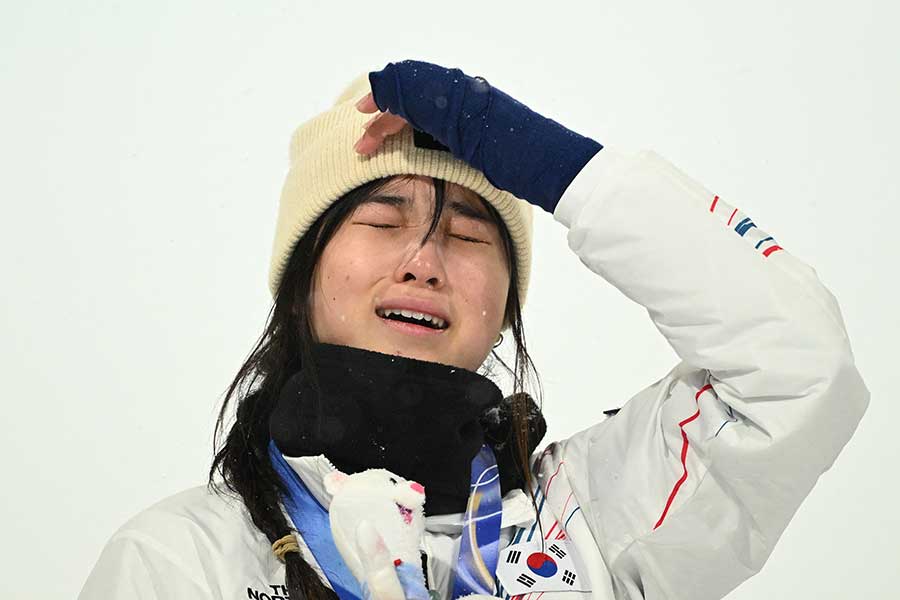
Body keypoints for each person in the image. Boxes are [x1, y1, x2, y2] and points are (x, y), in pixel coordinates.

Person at [78, 60, 870, 600]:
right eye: (382, 221)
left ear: (506, 303)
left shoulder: (592, 523)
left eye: (467, 235)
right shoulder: (181, 561)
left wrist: (561, 170)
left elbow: (798, 369)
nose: (424, 262)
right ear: (300, 278)